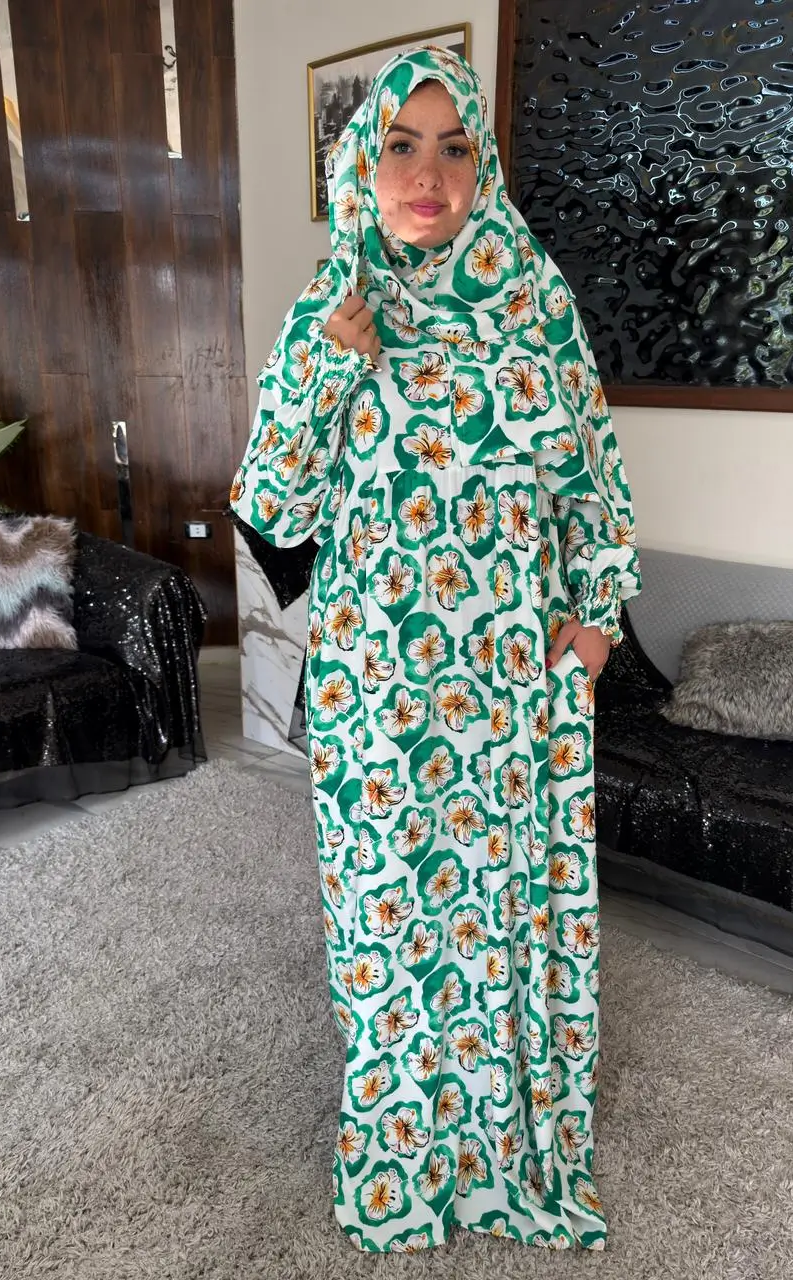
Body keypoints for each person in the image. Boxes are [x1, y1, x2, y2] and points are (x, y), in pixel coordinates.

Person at [230, 45, 640, 1253]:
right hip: (383, 687)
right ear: (362, 166)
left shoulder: (536, 305)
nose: (428, 173)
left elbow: (594, 480)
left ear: (482, 168)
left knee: (504, 921)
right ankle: (404, 1159)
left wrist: (596, 620)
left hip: (513, 683)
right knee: (393, 923)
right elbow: (272, 514)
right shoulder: (334, 308)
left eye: (453, 147)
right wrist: (329, 367)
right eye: (401, 146)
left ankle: (511, 1150)